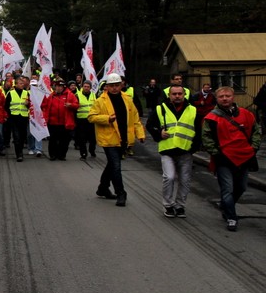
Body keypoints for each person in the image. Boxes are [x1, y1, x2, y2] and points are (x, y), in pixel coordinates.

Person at [201, 86, 261, 231]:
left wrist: (253, 148)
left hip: (244, 156)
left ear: (233, 97)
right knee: (227, 188)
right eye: (221, 96)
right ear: (217, 98)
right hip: (224, 158)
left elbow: (256, 131)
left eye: (227, 96)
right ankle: (231, 217)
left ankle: (226, 205)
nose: (225, 98)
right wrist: (216, 153)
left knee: (241, 187)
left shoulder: (247, 114)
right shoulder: (211, 117)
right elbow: (206, 137)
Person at [89, 72, 145, 207]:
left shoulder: (127, 99)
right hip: (109, 139)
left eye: (117, 85)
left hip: (124, 138)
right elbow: (91, 117)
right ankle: (121, 193)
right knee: (115, 165)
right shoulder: (100, 101)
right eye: (111, 85)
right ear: (107, 87)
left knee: (112, 165)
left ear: (121, 85)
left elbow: (135, 118)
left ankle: (102, 188)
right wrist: (107, 119)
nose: (114, 88)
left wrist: (140, 134)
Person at [145, 84, 196, 218]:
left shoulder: (193, 110)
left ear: (184, 94)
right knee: (169, 177)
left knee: (185, 180)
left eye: (180, 94)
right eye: (174, 94)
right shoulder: (160, 109)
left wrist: (194, 147)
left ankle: (180, 206)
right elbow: (150, 125)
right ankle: (168, 205)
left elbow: (199, 130)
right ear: (169, 95)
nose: (177, 96)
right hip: (167, 150)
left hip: (186, 150)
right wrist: (158, 133)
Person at [42, 78, 78, 160]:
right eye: (57, 86)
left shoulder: (70, 95)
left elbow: (76, 105)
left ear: (63, 87)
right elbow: (44, 106)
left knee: (64, 141)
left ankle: (62, 155)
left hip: (64, 123)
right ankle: (52, 155)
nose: (59, 88)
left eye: (61, 86)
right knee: (52, 140)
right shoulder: (51, 96)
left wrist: (70, 105)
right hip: (52, 122)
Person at [4, 76, 30, 161]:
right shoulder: (10, 93)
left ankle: (20, 150)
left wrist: (28, 104)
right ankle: (19, 154)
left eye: (23, 83)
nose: (22, 85)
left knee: (22, 136)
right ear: (16, 84)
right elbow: (6, 106)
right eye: (20, 83)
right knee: (16, 136)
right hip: (14, 118)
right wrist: (9, 115)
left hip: (23, 117)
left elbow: (31, 105)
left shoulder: (26, 93)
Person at [74, 80, 97, 159]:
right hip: (81, 120)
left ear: (90, 88)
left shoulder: (94, 96)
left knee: (93, 138)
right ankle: (83, 153)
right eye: (85, 86)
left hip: (92, 120)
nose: (86, 88)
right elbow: (74, 107)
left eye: (88, 87)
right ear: (82, 87)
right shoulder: (77, 95)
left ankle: (92, 150)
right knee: (82, 138)